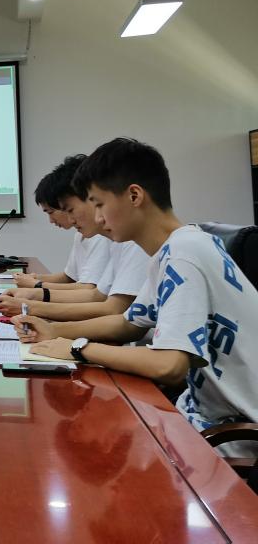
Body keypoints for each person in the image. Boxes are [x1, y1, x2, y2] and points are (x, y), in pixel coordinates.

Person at [15, 138, 258, 452]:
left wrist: (78, 348)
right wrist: (55, 332)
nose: (97, 218)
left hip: (231, 437)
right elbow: (128, 323)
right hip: (195, 416)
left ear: (134, 196)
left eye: (99, 204)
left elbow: (169, 366)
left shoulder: (184, 254)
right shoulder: (172, 250)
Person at [0, 168, 148, 321]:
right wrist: (35, 293)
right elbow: (96, 295)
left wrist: (35, 296)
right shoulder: (118, 241)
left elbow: (113, 309)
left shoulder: (129, 242)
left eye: (99, 204)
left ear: (134, 197)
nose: (70, 219)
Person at [14, 155, 111, 295]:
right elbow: (70, 276)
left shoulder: (102, 236)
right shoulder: (83, 234)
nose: (70, 219)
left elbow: (90, 290)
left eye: (69, 209)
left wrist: (37, 286)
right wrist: (34, 279)